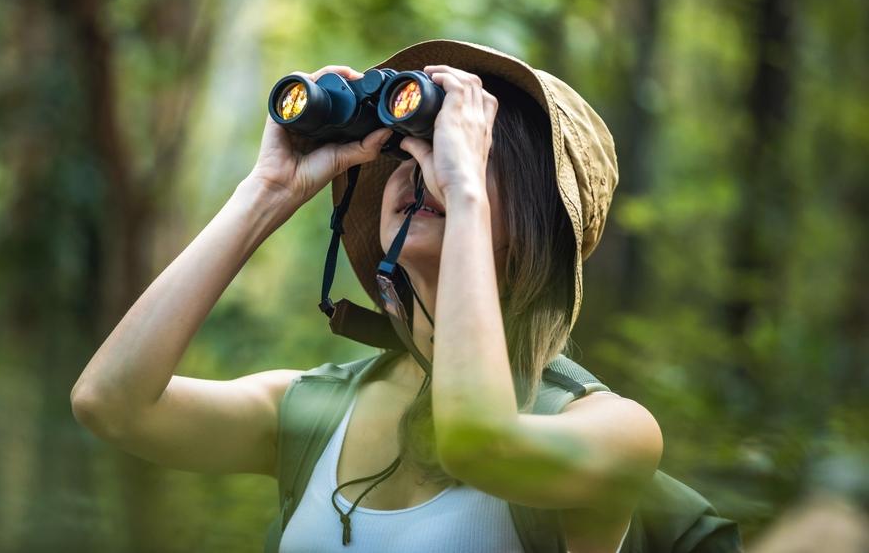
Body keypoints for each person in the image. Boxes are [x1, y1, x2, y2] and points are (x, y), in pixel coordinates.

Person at [70, 39, 663, 553]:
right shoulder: (314, 410)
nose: (417, 167)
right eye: (404, 153)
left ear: (539, 217)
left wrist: (463, 191)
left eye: (462, 153)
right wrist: (268, 190)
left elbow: (479, 444)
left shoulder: (612, 429)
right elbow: (111, 404)